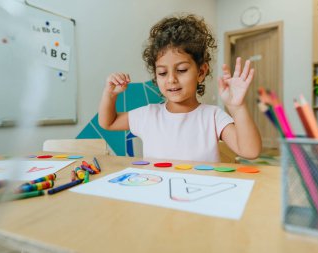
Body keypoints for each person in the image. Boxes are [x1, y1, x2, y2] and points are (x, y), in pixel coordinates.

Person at [98, 14, 261, 162]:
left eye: (181, 70)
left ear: (201, 72)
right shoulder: (148, 115)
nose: (171, 79)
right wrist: (110, 95)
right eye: (162, 73)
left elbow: (250, 151)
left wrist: (237, 108)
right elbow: (108, 123)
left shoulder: (213, 117)